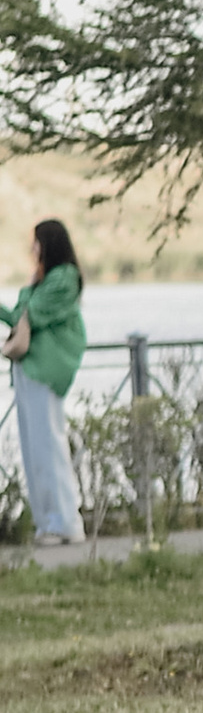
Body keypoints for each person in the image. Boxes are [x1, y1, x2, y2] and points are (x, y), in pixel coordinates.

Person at [5, 217, 87, 546]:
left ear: (49, 243)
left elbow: (31, 313)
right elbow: (19, 314)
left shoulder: (64, 277)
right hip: (29, 368)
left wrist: (24, 299)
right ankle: (47, 521)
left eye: (37, 241)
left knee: (49, 445)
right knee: (33, 448)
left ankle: (65, 521)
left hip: (45, 369)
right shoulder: (44, 277)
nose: (32, 247)